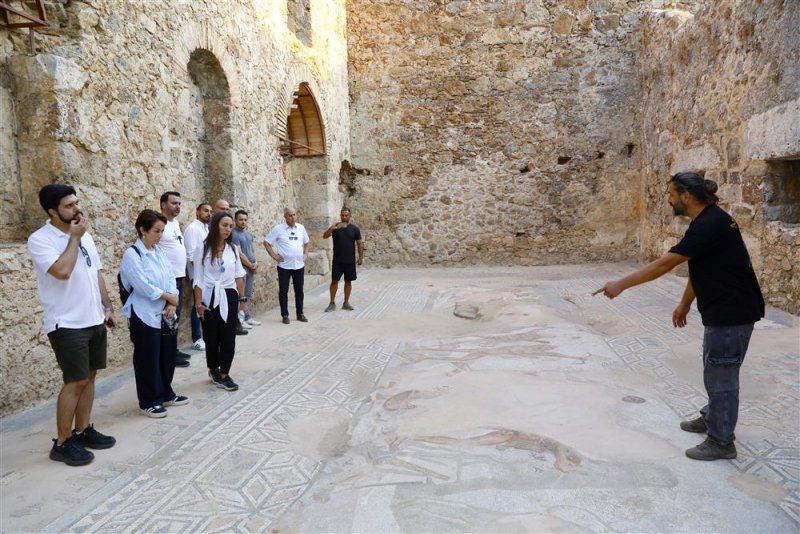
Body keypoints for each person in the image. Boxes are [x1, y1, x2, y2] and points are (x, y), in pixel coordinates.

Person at [594, 172, 764, 461]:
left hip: (732, 311)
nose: (669, 199)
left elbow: (666, 263)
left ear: (687, 195)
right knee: (714, 369)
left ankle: (722, 440)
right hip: (724, 309)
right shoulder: (708, 220)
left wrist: (620, 284)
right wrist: (685, 302)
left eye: (672, 194)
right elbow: (701, 265)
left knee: (722, 374)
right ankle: (713, 417)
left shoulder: (710, 224)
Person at [28, 184, 117, 466]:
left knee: (90, 377)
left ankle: (83, 430)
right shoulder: (41, 239)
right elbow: (62, 271)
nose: (77, 209)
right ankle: (62, 442)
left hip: (93, 318)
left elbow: (96, 272)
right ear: (52, 211)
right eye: (69, 206)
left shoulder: (83, 234)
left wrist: (107, 306)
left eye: (76, 203)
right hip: (66, 322)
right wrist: (75, 239)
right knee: (74, 380)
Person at [120, 210, 189, 418]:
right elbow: (143, 286)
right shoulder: (133, 254)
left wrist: (171, 302)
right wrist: (169, 297)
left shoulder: (159, 252)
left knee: (167, 355)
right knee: (147, 358)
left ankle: (166, 393)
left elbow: (169, 276)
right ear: (142, 230)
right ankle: (149, 400)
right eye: (156, 231)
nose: (160, 235)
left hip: (165, 312)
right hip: (143, 314)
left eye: (162, 231)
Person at [193, 211, 247, 391]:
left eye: (230, 226)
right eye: (224, 225)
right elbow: (198, 279)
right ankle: (213, 369)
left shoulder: (233, 249)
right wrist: (198, 305)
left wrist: (242, 299)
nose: (228, 229)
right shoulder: (202, 249)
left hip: (228, 295)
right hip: (208, 297)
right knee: (211, 337)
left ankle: (224, 373)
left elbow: (239, 275)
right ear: (215, 225)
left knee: (228, 337)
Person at [158, 191, 190, 367]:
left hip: (180, 275)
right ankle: (168, 354)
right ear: (163, 204)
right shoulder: (160, 224)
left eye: (179, 203)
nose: (177, 206)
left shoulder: (175, 223)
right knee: (168, 316)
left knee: (176, 315)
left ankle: (174, 350)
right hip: (167, 278)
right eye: (173, 203)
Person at [264, 208, 310, 324]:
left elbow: (306, 242)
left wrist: (305, 254)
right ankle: (285, 315)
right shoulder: (278, 229)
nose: (293, 217)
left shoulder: (301, 228)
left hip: (298, 265)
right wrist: (274, 256)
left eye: (294, 215)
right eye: (290, 215)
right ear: (285, 216)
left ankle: (300, 313)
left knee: (299, 290)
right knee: (283, 291)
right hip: (284, 266)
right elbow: (267, 242)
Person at [323, 207, 364, 312]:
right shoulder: (335, 227)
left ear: (350, 216)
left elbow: (359, 243)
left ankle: (346, 302)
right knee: (334, 281)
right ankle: (332, 303)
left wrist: (360, 257)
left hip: (350, 261)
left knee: (348, 281)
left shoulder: (355, 229)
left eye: (346, 215)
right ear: (340, 216)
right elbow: (325, 236)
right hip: (337, 260)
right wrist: (331, 229)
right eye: (342, 215)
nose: (344, 217)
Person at [184, 202, 212, 350]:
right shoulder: (192, 229)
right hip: (198, 275)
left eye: (210, 211)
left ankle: (206, 335)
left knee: (206, 305)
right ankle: (197, 338)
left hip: (207, 275)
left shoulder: (206, 229)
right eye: (205, 211)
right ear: (197, 212)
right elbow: (190, 255)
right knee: (198, 304)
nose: (208, 213)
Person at [232, 209, 261, 328]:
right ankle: (240, 319)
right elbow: (239, 253)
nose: (243, 222)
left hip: (250, 269)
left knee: (248, 294)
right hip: (241, 269)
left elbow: (253, 250)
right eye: (240, 219)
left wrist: (256, 263)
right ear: (235, 220)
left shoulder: (248, 234)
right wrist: (250, 265)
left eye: (245, 220)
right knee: (241, 295)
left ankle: (248, 317)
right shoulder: (233, 234)